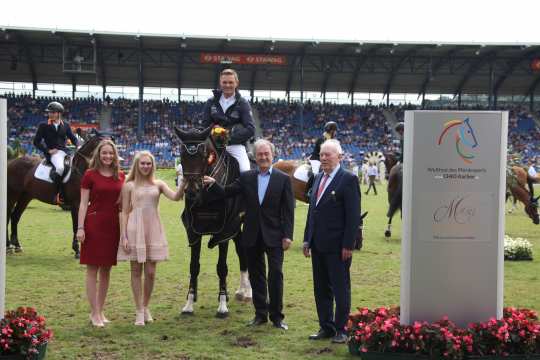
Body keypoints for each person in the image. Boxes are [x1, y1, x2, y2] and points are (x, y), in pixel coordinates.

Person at [203, 139, 294, 330]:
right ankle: (260, 314)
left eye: (266, 154)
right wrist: (213, 184)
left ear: (272, 155)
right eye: (260, 154)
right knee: (256, 275)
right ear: (255, 156)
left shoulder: (283, 179)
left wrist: (288, 235)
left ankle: (277, 317)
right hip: (252, 234)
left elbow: (288, 211)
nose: (263, 157)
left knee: (275, 274)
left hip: (275, 235)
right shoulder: (247, 178)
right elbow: (228, 192)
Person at [303, 139, 361, 344]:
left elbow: (353, 217)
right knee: (321, 289)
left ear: (339, 157)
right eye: (321, 154)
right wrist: (306, 239)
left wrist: (348, 245)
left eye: (328, 154)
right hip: (318, 245)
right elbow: (313, 212)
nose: (324, 158)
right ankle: (326, 327)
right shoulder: (318, 178)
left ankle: (342, 329)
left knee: (340, 288)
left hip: (338, 248)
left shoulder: (348, 179)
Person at [117, 151, 184, 326]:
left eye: (148, 164)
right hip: (134, 228)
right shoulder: (129, 185)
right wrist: (123, 235)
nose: (146, 166)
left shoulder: (159, 184)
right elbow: (124, 212)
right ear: (137, 165)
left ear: (152, 165)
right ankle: (139, 310)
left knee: (151, 272)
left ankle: (146, 306)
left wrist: (183, 184)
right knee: (136, 271)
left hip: (153, 228)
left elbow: (176, 197)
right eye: (142, 164)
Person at [76, 139, 125, 327]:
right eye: (104, 153)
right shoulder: (89, 174)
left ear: (115, 156)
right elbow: (82, 204)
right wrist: (80, 228)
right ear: (98, 154)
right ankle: (94, 312)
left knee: (106, 270)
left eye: (110, 153)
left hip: (113, 226)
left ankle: (100, 311)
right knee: (92, 269)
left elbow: (125, 202)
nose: (107, 156)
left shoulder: (120, 175)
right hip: (94, 224)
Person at [202, 68, 255, 173]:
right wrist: (214, 133)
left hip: (235, 146)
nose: (227, 85)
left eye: (231, 82)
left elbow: (250, 129)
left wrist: (226, 138)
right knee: (195, 169)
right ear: (220, 83)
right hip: (213, 146)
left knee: (244, 171)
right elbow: (205, 126)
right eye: (224, 82)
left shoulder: (243, 103)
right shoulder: (210, 102)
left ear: (236, 83)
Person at [33, 101, 79, 204]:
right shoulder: (43, 125)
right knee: (60, 168)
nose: (50, 114)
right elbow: (36, 142)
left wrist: (78, 145)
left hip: (65, 152)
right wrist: (48, 150)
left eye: (53, 112)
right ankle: (57, 194)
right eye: (49, 112)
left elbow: (73, 138)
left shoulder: (66, 125)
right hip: (53, 153)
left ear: (59, 113)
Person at [306, 121, 338, 197]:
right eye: (335, 130)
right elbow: (323, 152)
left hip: (323, 160)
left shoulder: (331, 140)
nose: (336, 132)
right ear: (331, 131)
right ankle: (310, 190)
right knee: (316, 173)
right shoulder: (322, 140)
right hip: (316, 159)